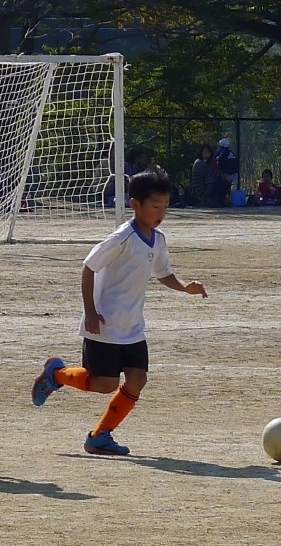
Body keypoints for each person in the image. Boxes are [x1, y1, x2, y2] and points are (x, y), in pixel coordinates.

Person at [29, 170, 208, 456]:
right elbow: (89, 267)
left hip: (133, 327)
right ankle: (57, 374)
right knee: (104, 384)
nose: (161, 213)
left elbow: (163, 273)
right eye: (155, 206)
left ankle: (99, 435)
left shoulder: (158, 239)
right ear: (134, 204)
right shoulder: (122, 237)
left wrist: (185, 287)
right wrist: (90, 312)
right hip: (105, 324)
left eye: (165, 206)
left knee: (138, 380)